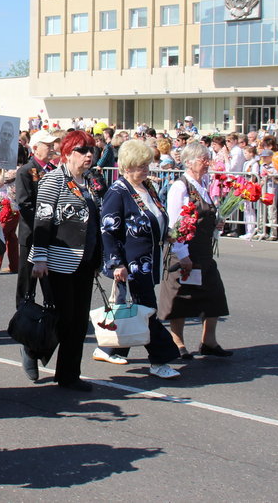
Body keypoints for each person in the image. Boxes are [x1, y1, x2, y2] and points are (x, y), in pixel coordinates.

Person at [99, 139, 182, 378]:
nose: (144, 170)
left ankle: (110, 347)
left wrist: (167, 233)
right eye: (139, 166)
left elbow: (155, 217)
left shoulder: (148, 188)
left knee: (134, 308)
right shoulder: (118, 191)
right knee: (147, 310)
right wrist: (116, 263)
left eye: (146, 165)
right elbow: (108, 229)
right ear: (126, 167)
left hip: (149, 259)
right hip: (132, 262)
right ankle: (160, 358)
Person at [29, 130, 102, 391]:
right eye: (83, 150)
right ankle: (34, 348)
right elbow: (42, 220)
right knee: (63, 319)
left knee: (79, 321)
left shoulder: (89, 182)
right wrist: (39, 258)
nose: (89, 155)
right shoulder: (54, 180)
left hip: (85, 261)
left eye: (91, 150)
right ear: (68, 153)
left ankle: (69, 374)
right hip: (58, 262)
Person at [159, 142, 232, 358]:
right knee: (181, 298)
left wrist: (216, 223)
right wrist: (183, 256)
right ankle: (177, 341)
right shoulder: (180, 187)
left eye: (208, 158)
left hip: (203, 251)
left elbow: (203, 215)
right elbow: (174, 225)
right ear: (189, 162)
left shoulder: (203, 184)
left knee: (214, 296)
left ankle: (209, 341)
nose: (208, 162)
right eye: (203, 159)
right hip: (184, 251)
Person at [13, 129, 56, 380]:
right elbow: (25, 204)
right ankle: (27, 344)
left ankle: (41, 344)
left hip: (53, 242)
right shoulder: (25, 171)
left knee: (53, 296)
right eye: (47, 145)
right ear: (35, 147)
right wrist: (46, 224)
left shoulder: (54, 171)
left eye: (53, 145)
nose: (52, 149)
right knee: (26, 294)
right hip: (31, 239)